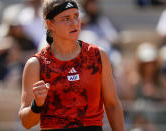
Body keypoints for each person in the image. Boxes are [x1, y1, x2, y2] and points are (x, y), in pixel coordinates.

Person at [18, 0, 125, 131]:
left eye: (76, 16)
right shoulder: (35, 64)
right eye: (66, 19)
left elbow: (112, 105)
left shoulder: (98, 55)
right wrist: (37, 105)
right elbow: (26, 122)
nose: (74, 23)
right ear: (50, 24)